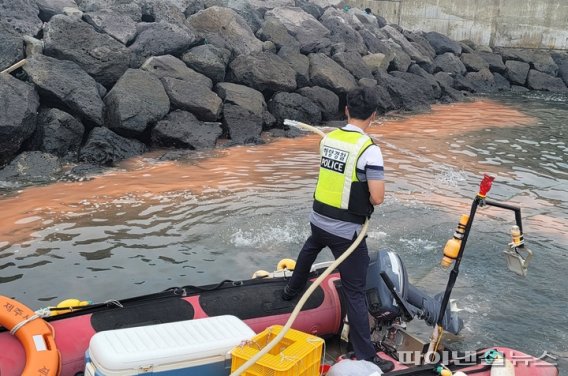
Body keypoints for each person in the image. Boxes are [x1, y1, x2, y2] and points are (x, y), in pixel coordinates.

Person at [281, 87, 393, 372]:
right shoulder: (370, 150)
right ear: (374, 115)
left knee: (312, 245)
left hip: (318, 218)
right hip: (347, 232)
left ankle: (290, 291)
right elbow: (377, 197)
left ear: (346, 110)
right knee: (355, 291)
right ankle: (366, 354)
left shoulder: (329, 139)